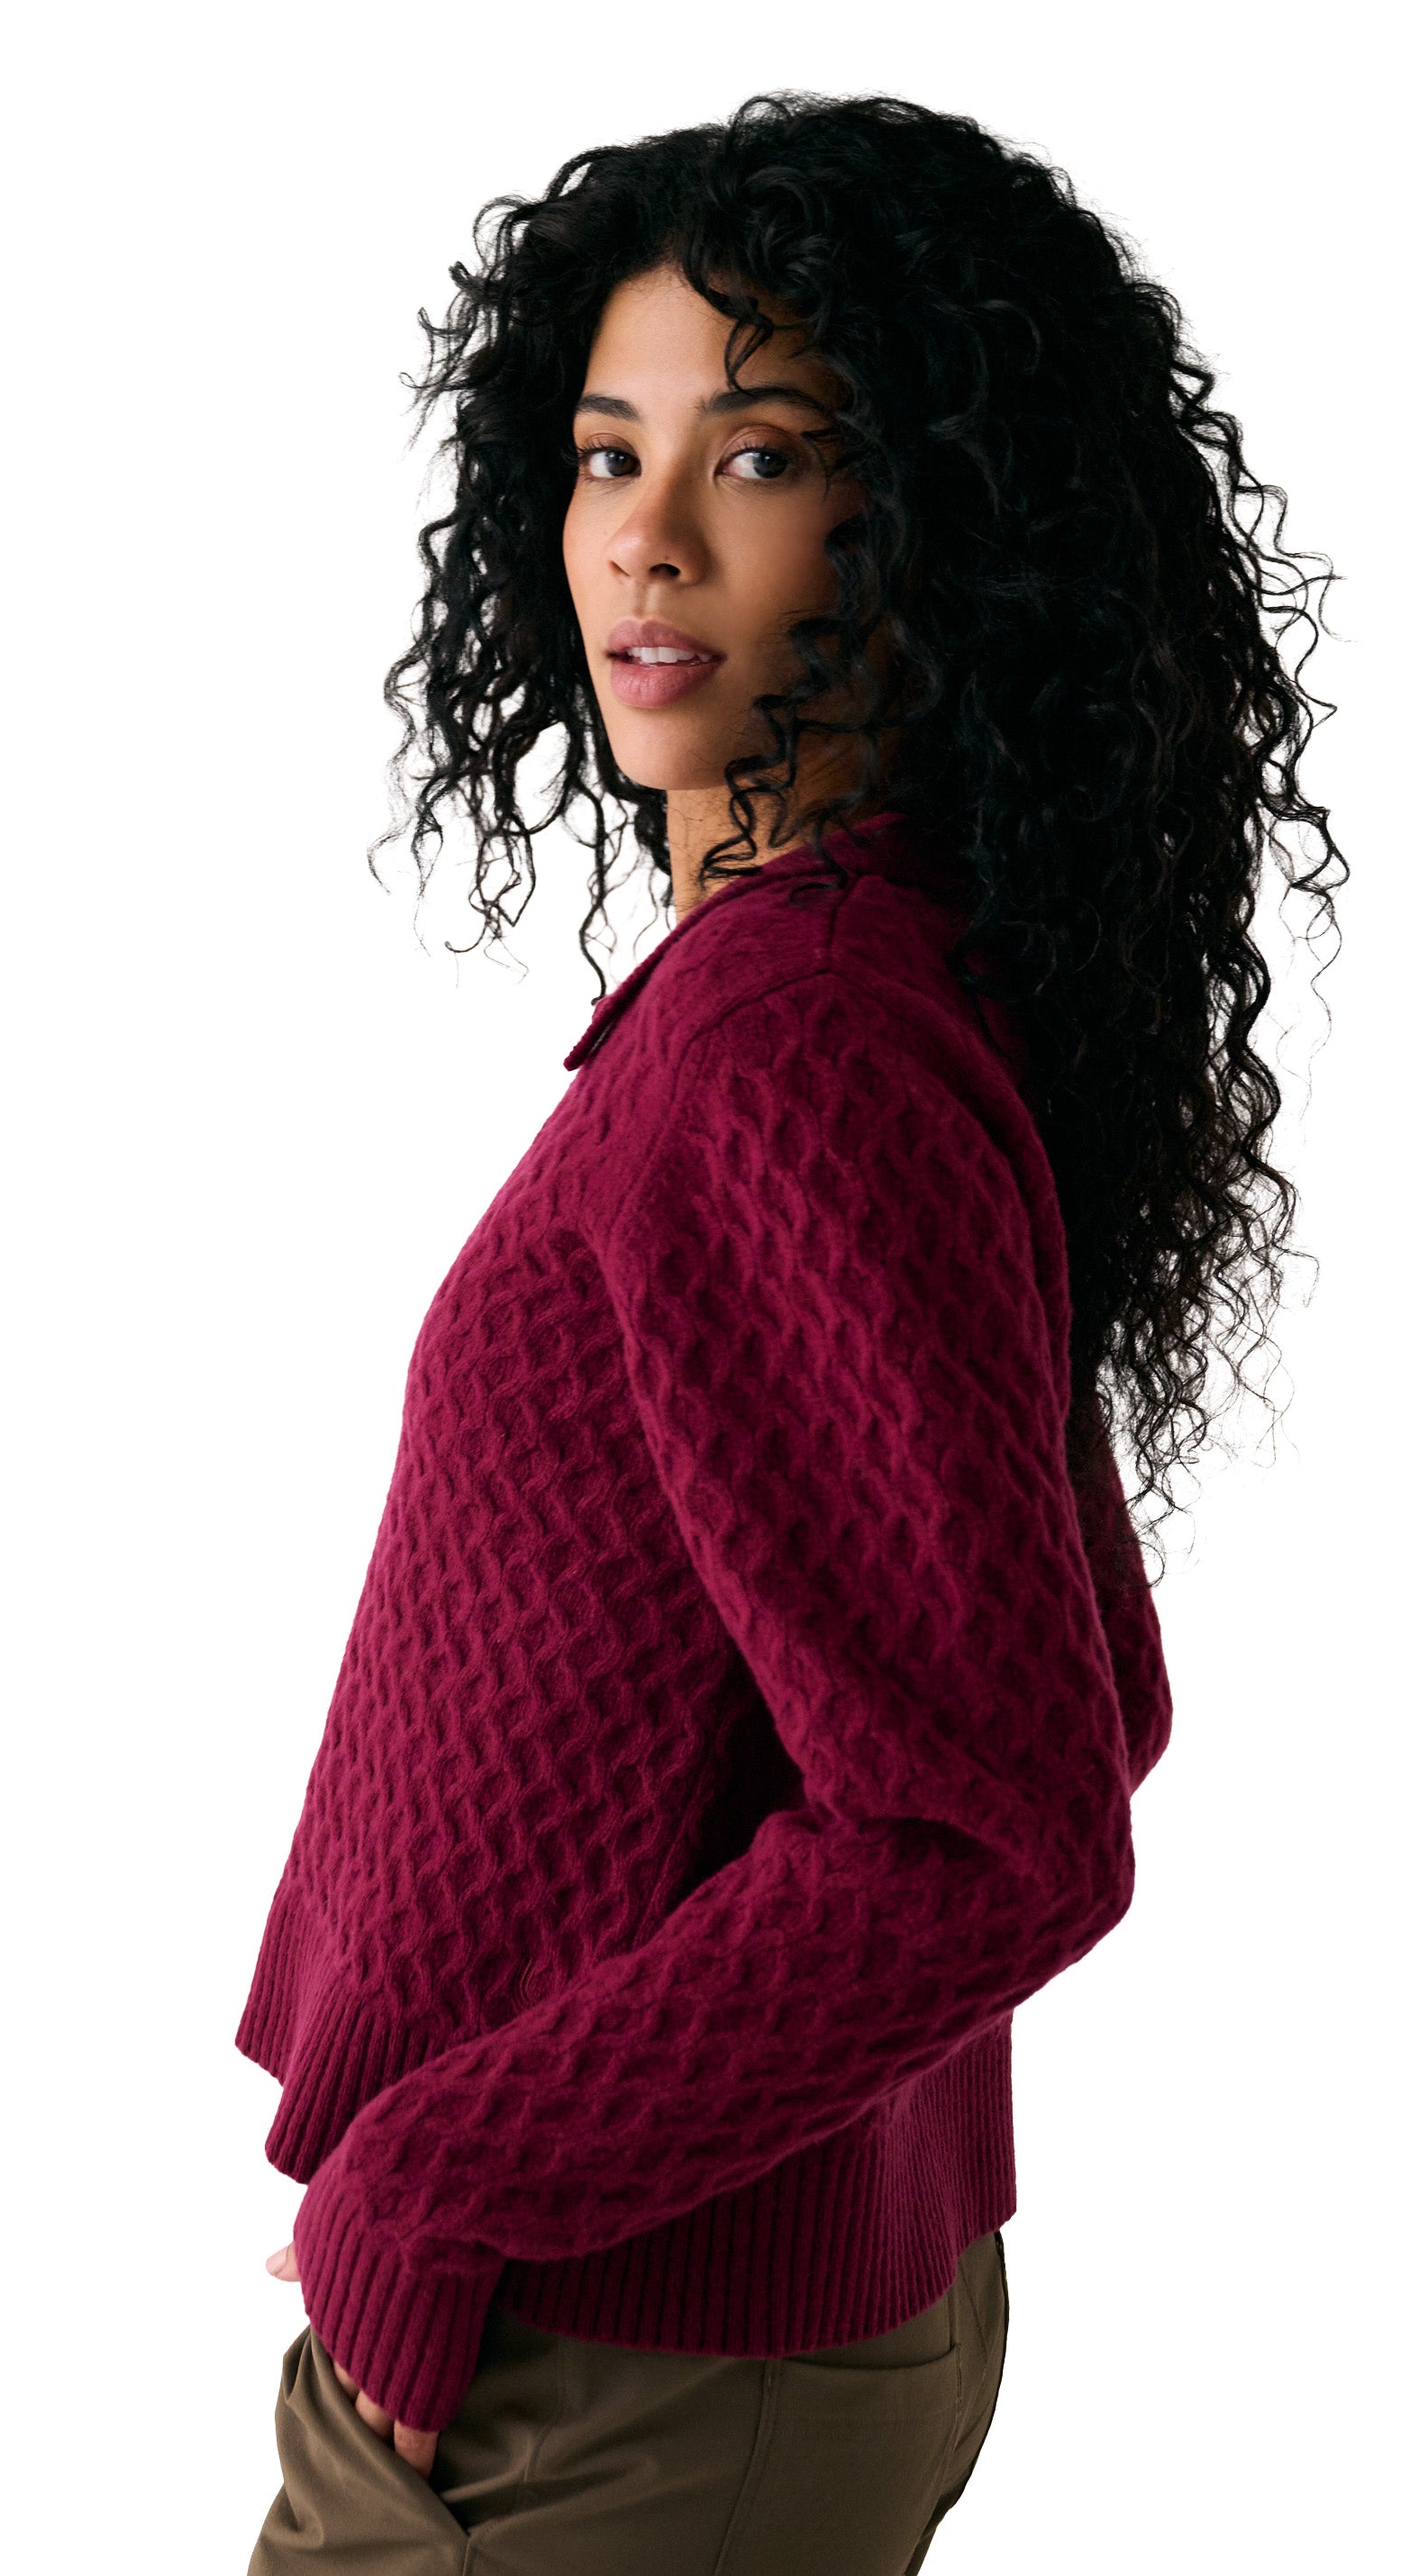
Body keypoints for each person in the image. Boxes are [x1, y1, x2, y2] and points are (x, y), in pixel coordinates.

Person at [236, 90, 1342, 2574]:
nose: (648, 533)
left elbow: (990, 1817)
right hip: (692, 2326)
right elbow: (1075, 1688)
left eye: (755, 456)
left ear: (926, 521)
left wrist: (440, 2186)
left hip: (607, 2372)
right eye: (605, 452)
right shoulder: (853, 979)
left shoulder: (793, 1045)